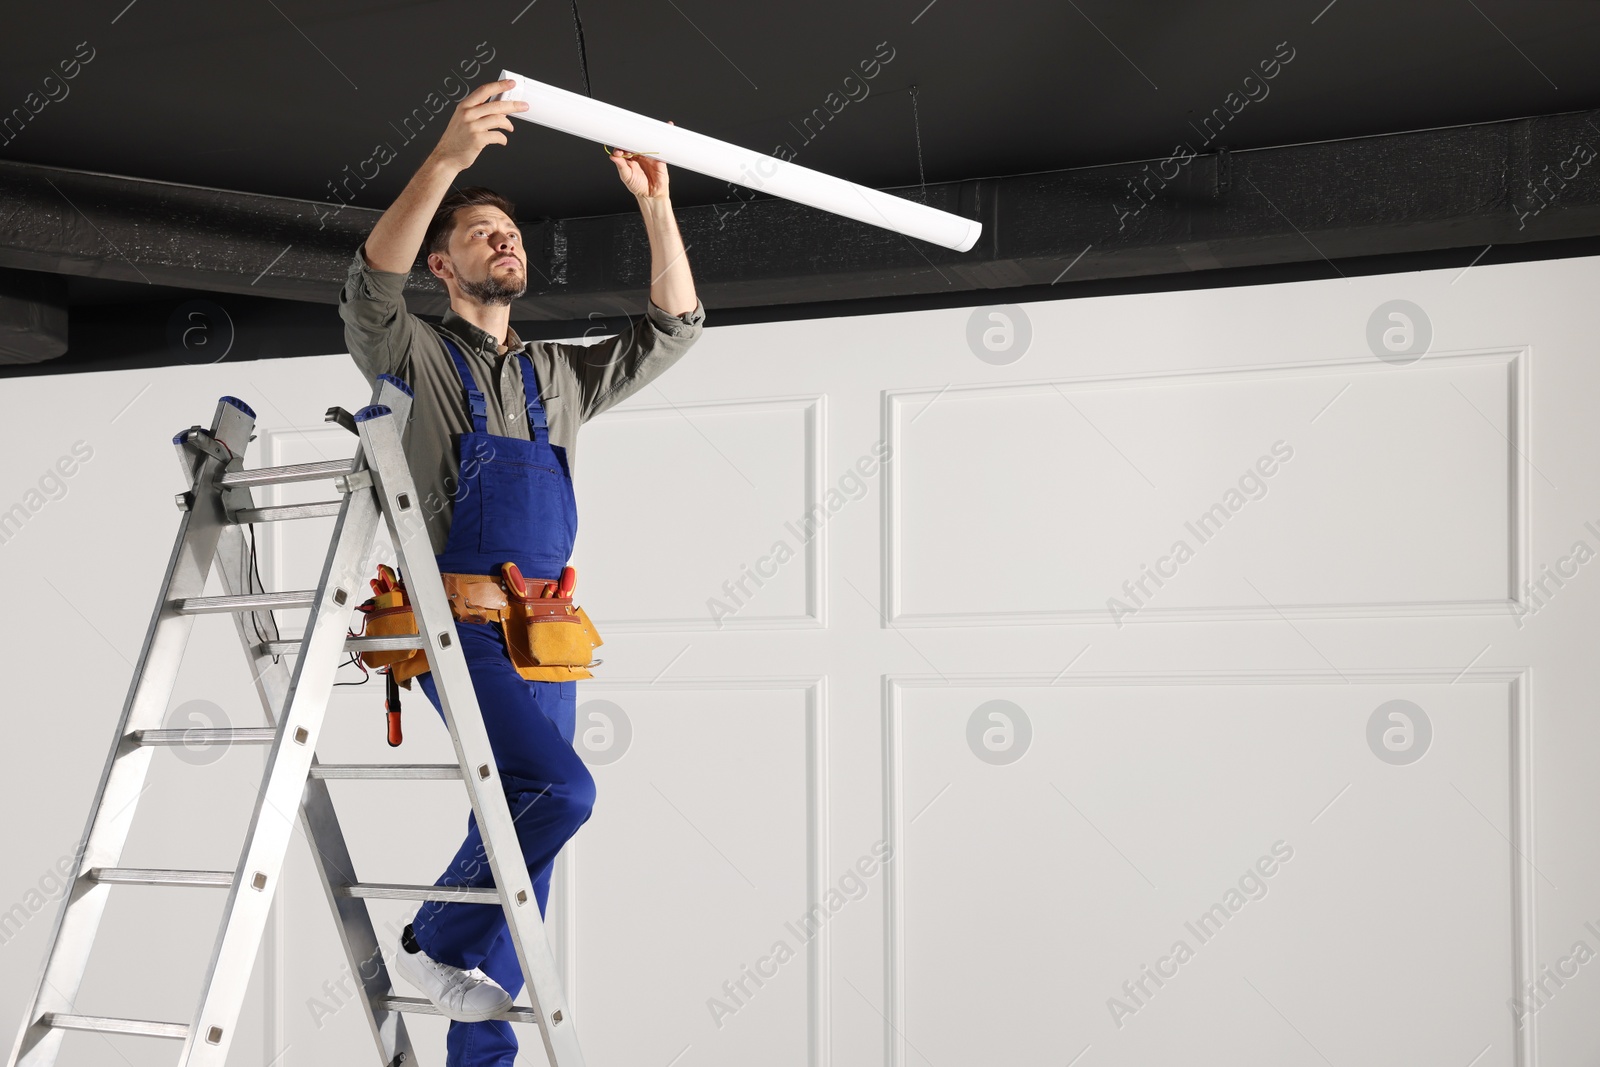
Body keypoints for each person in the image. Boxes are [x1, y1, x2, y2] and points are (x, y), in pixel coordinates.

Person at [338, 77, 703, 1066]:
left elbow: (674, 328)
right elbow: (370, 281)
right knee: (561, 794)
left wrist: (656, 204)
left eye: (510, 230)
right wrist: (450, 161)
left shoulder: (558, 375)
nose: (504, 239)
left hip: (548, 638)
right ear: (445, 265)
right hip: (460, 628)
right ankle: (432, 938)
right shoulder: (408, 350)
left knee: (520, 860)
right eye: (481, 231)